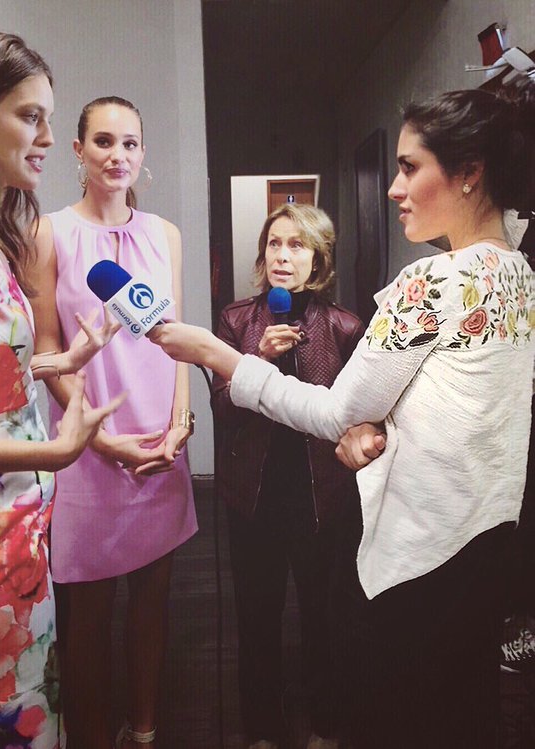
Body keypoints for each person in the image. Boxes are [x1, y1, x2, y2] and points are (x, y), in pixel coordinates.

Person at [150, 78, 535, 749]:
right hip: (486, 543)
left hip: (418, 555)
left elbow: (333, 412)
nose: (393, 188)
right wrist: (380, 426)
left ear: (469, 173)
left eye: (410, 167)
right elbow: (456, 400)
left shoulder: (433, 280)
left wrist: (220, 357)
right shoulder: (519, 275)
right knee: (463, 713)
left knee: (395, 716)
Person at [0, 31, 123, 748]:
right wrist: (53, 453)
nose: (48, 138)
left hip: (15, 539)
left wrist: (61, 360)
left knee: (27, 717)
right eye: (28, 116)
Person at [30, 96, 197, 749]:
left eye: (130, 143)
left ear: (142, 152)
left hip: (160, 440)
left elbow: (177, 337)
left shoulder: (165, 234)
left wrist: (181, 420)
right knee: (88, 614)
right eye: (103, 141)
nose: (117, 155)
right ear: (78, 150)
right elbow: (47, 350)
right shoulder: (48, 233)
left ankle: (145, 730)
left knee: (154, 600)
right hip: (87, 445)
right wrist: (98, 438)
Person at [212, 203, 363, 749]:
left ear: (317, 259)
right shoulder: (236, 321)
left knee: (324, 615)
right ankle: (263, 730)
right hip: (252, 495)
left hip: (323, 496)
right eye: (274, 243)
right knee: (257, 615)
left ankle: (326, 723)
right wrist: (256, 358)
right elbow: (223, 412)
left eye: (297, 245)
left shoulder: (345, 327)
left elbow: (353, 415)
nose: (282, 255)